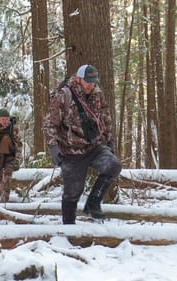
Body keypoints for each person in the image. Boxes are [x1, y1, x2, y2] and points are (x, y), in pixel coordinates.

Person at [43, 64, 122, 224]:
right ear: (78, 79)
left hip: (95, 147)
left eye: (93, 82)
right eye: (87, 82)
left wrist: (110, 141)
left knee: (113, 166)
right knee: (72, 193)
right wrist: (54, 148)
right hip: (71, 153)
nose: (91, 85)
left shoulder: (97, 94)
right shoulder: (63, 95)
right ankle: (69, 229)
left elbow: (106, 118)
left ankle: (93, 203)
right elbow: (50, 124)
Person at [0, 108, 23, 202]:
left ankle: (4, 202)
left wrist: (17, 160)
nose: (5, 121)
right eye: (3, 119)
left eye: (7, 119)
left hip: (9, 157)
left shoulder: (13, 129)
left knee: (6, 180)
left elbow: (19, 146)